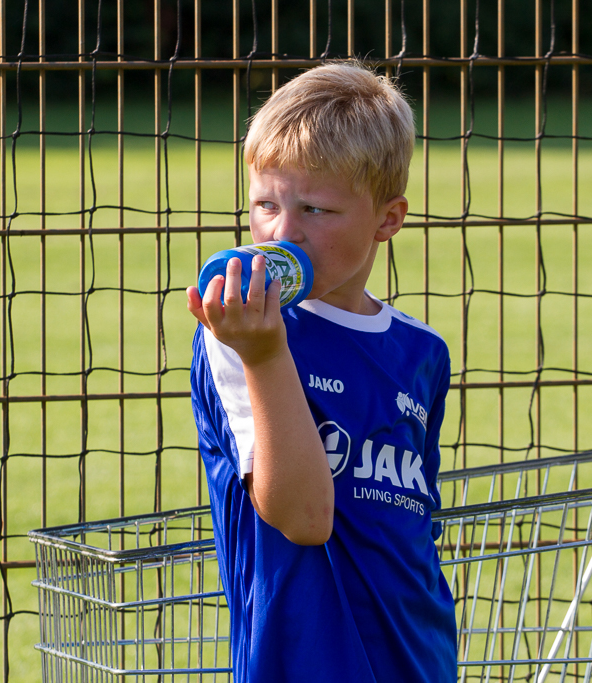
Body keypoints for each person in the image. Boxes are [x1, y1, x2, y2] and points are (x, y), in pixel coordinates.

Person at [186, 61, 457, 682]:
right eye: (265, 204)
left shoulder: (422, 353)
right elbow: (304, 518)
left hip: (418, 659)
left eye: (315, 209)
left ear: (387, 219)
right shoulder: (238, 338)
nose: (283, 232)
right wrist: (265, 353)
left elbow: (407, 530)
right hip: (302, 662)